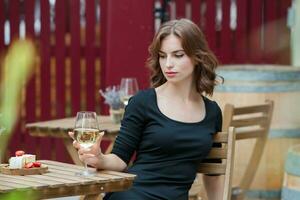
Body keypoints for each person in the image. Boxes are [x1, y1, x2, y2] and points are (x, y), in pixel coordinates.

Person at [70, 18, 223, 200]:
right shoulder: (143, 102)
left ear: (197, 57)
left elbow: (213, 174)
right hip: (133, 194)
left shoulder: (212, 112)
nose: (168, 64)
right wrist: (100, 159)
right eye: (163, 55)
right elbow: (120, 159)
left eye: (178, 55)